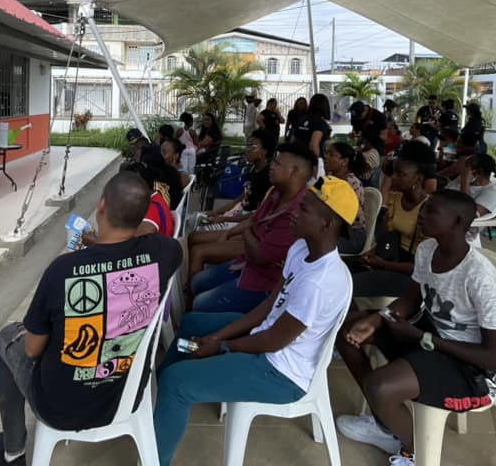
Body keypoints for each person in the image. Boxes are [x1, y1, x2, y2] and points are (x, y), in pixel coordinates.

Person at [153, 176, 357, 466]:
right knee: (194, 323)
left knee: (178, 383)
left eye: (306, 209)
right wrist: (215, 338)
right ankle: (163, 408)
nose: (296, 213)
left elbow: (275, 341)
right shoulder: (301, 249)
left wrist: (222, 346)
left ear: (329, 223)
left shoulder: (321, 282)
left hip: (280, 373)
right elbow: (268, 307)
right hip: (267, 341)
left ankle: (154, 455)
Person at [0, 172, 182, 466]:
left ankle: (13, 451)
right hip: (125, 391)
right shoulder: (166, 252)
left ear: (101, 207)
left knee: (8, 338)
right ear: (143, 217)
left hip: (61, 408)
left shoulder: (62, 270)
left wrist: (93, 248)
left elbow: (32, 350)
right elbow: (142, 247)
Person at [335, 190, 496, 464]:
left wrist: (424, 338)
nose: (422, 215)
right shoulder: (428, 249)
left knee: (381, 386)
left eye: (432, 211)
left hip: (466, 364)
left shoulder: (482, 278)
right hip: (427, 334)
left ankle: (416, 450)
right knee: (349, 332)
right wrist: (378, 318)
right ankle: (387, 424)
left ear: (457, 222)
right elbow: (410, 299)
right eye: (425, 209)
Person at [188, 143, 315, 313]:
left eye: (277, 164)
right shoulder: (277, 193)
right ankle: (191, 317)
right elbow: (255, 219)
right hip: (248, 260)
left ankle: (196, 322)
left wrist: (246, 234)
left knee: (200, 303)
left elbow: (261, 257)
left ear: (295, 171)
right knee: (197, 282)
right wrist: (231, 232)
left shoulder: (297, 212)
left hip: (266, 283)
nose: (272, 167)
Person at [349, 147, 431, 301]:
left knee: (348, 286)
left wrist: (384, 264)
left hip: (411, 274)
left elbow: (423, 267)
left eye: (401, 174)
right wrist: (371, 255)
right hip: (391, 259)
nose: (393, 177)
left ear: (418, 179)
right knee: (344, 270)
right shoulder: (396, 198)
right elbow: (387, 237)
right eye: (394, 172)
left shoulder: (428, 209)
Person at [190, 129, 276, 233]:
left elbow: (257, 214)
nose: (247, 149)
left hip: (247, 223)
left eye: (252, 147)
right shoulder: (254, 169)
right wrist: (215, 212)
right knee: (195, 221)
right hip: (238, 215)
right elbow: (239, 200)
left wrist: (225, 219)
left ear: (264, 151)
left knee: (199, 232)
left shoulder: (267, 177)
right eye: (247, 145)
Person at [325, 141, 368, 254]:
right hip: (332, 229)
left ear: (344, 161)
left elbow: (344, 216)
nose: (326, 157)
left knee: (317, 245)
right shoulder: (328, 178)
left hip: (351, 234)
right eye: (327, 153)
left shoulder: (351, 183)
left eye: (332, 155)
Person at [447, 154, 496, 219]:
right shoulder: (461, 178)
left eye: (466, 166)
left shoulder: (493, 192)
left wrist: (465, 183)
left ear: (478, 171)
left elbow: (470, 215)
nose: (462, 169)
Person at [293, 93, 332, 163]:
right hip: (309, 161)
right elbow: (313, 145)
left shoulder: (303, 119)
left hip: (297, 156)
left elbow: (295, 137)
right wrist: (318, 163)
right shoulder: (320, 122)